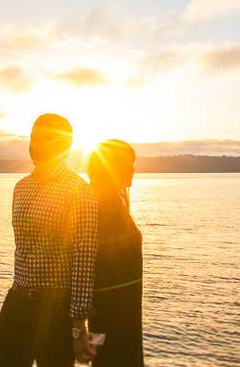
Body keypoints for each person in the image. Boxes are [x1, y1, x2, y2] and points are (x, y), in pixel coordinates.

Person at [0, 114, 99, 366]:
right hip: (16, 302)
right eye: (33, 136)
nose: (36, 144)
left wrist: (78, 326)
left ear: (64, 145)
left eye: (44, 138)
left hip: (55, 309)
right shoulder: (21, 187)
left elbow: (84, 258)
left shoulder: (78, 190)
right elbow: (23, 248)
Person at [87, 139, 144, 367]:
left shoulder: (117, 201)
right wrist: (81, 333)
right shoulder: (99, 204)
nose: (132, 170)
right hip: (108, 320)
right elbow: (86, 266)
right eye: (127, 164)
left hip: (126, 318)